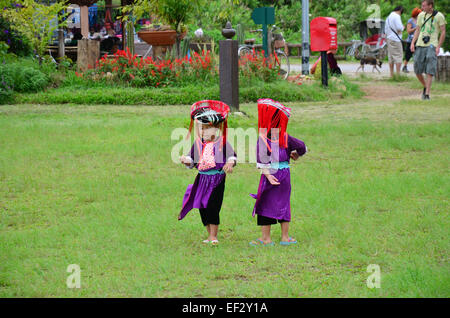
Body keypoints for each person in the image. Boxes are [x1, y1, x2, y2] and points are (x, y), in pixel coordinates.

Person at [249, 99, 307, 246]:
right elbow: (302, 147)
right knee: (283, 203)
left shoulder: (263, 139)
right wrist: (296, 155)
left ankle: (265, 239)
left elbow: (261, 161)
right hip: (284, 175)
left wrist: (268, 176)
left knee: (265, 203)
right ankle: (285, 238)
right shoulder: (285, 138)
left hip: (270, 174)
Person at [179, 100, 237, 246]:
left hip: (216, 179)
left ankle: (213, 235)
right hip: (202, 179)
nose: (202, 132)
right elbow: (192, 159)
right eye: (201, 128)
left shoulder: (222, 142)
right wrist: (186, 160)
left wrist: (230, 163)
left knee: (213, 206)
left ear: (216, 128)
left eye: (206, 128)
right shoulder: (198, 143)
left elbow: (232, 156)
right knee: (202, 207)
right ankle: (208, 233)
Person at [410, 0, 446, 100]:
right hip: (420, 44)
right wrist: (413, 43)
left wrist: (438, 46)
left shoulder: (439, 16)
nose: (422, 7)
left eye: (424, 5)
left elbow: (443, 32)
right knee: (417, 69)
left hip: (432, 44)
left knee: (430, 70)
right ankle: (426, 86)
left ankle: (427, 94)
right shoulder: (421, 15)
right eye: (422, 5)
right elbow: (417, 29)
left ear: (430, 6)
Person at [386, 6, 405, 77]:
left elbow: (385, 30)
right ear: (400, 11)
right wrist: (403, 27)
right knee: (398, 56)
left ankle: (391, 74)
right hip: (396, 39)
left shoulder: (388, 17)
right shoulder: (397, 16)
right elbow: (399, 28)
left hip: (389, 38)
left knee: (391, 57)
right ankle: (398, 75)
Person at [402, 8, 422, 73]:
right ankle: (404, 66)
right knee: (408, 54)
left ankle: (419, 67)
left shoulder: (420, 20)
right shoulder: (410, 21)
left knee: (418, 54)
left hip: (419, 40)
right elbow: (408, 31)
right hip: (410, 40)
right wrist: (416, 28)